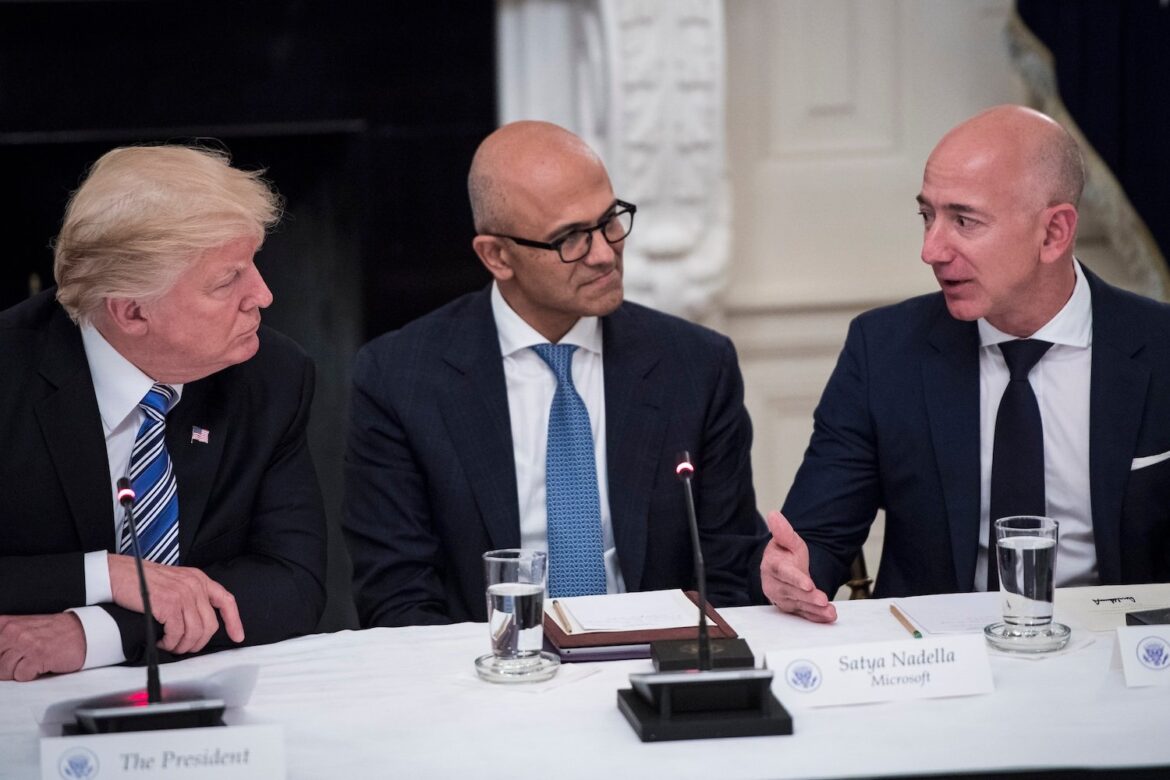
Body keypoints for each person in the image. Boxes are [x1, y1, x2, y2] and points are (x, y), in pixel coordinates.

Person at [344, 120, 767, 627]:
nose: (605, 253)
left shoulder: (697, 366)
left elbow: (729, 571)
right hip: (488, 673)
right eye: (570, 239)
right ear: (497, 256)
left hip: (657, 663)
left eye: (610, 220)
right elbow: (397, 598)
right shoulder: (398, 378)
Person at [762, 105, 1170, 622]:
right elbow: (818, 535)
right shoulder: (885, 350)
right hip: (940, 660)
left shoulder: (1158, 348)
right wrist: (793, 570)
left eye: (964, 220)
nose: (931, 250)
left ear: (1053, 233)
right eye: (927, 216)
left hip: (1123, 660)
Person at [0, 145, 327, 680]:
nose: (263, 296)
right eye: (228, 280)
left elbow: (290, 582)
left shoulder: (272, 375)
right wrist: (104, 576)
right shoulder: (11, 375)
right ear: (131, 311)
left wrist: (97, 633)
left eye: (254, 265)